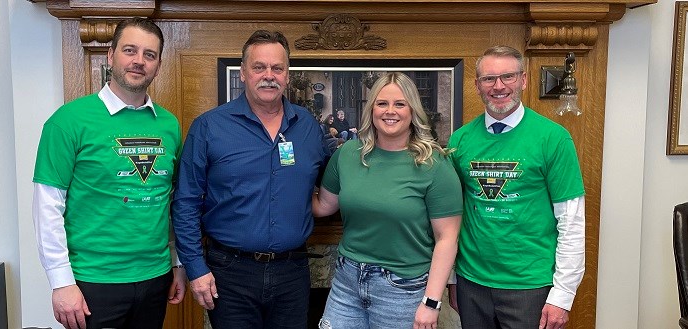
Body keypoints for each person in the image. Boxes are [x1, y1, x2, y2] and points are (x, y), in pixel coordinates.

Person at [32, 17, 186, 329]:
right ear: (111, 55)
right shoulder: (67, 121)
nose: (139, 61)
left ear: (158, 65)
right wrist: (61, 282)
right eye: (130, 50)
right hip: (93, 282)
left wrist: (177, 263)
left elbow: (171, 202)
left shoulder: (169, 125)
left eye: (149, 54)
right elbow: (47, 206)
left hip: (156, 278)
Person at [172, 30, 327, 329]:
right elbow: (186, 202)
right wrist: (195, 267)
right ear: (243, 73)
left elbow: (338, 178)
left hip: (292, 272)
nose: (268, 76)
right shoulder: (209, 127)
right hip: (229, 273)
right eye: (259, 67)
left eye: (277, 68)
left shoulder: (308, 126)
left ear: (288, 75)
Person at [446, 45, 585, 329]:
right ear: (477, 86)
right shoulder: (459, 141)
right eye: (489, 79)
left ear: (523, 80)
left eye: (507, 77)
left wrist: (563, 295)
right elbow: (450, 218)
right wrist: (452, 279)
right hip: (471, 282)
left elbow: (571, 221)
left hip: (529, 285)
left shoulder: (553, 138)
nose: (498, 86)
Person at [312, 72, 463, 329]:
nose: (389, 111)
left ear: (412, 110)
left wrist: (431, 303)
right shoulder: (349, 154)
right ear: (371, 110)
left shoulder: (435, 164)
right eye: (382, 103)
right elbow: (324, 206)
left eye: (400, 104)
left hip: (402, 289)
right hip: (347, 282)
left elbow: (447, 238)